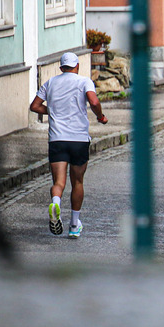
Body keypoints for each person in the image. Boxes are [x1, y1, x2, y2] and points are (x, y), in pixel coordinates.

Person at [29, 52, 108, 238]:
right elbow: (94, 101)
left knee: (59, 182)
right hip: (79, 139)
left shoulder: (50, 83)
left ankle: (56, 203)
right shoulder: (84, 81)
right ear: (77, 66)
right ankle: (74, 225)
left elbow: (34, 106)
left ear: (61, 67)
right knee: (77, 182)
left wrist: (54, 111)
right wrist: (100, 116)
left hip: (57, 139)